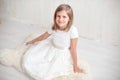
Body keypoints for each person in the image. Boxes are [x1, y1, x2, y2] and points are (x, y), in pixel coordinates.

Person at [22, 4, 85, 80]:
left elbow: (73, 49)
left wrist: (76, 66)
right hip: (51, 47)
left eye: (64, 17)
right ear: (55, 17)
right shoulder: (53, 26)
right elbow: (44, 36)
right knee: (32, 60)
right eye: (58, 16)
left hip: (62, 52)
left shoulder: (72, 30)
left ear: (69, 19)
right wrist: (33, 41)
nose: (60, 19)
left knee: (50, 70)